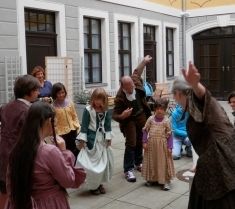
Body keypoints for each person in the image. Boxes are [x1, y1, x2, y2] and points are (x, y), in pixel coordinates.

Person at [171, 62, 235, 209]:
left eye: (175, 96)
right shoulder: (192, 108)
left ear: (178, 94)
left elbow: (202, 95)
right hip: (212, 165)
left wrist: (196, 84)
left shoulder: (202, 102)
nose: (175, 100)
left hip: (222, 166)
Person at [5, 102, 86, 209]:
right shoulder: (50, 152)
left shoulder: (16, 151)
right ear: (49, 121)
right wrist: (63, 152)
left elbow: (10, 186)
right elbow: (68, 180)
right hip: (49, 203)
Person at [0, 75, 40, 209]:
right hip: (19, 157)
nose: (38, 93)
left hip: (3, 154)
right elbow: (31, 139)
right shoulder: (28, 111)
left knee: (4, 189)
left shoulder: (5, 106)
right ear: (28, 91)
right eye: (36, 90)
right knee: (20, 193)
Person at [112, 55, 152, 182]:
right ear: (123, 87)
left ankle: (138, 162)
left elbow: (137, 71)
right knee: (131, 142)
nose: (131, 90)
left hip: (142, 115)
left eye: (132, 88)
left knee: (141, 140)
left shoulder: (135, 80)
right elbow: (114, 115)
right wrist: (122, 116)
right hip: (129, 120)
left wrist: (144, 61)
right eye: (127, 90)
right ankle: (128, 169)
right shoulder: (119, 97)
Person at [76, 88, 114, 195]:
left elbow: (108, 125)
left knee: (102, 161)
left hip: (101, 140)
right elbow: (84, 125)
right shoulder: (88, 110)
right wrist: (82, 140)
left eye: (101, 100)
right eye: (97, 99)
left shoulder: (105, 111)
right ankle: (92, 185)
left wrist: (109, 138)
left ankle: (99, 183)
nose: (98, 102)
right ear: (93, 99)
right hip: (91, 139)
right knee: (91, 162)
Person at [142, 98, 175, 190]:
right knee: (152, 161)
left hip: (162, 146)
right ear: (155, 109)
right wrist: (144, 141)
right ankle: (152, 179)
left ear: (164, 110)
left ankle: (165, 181)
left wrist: (170, 146)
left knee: (163, 163)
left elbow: (169, 134)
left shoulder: (166, 121)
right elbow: (145, 130)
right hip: (151, 145)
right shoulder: (150, 119)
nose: (159, 111)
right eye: (157, 108)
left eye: (161, 109)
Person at [51, 82, 81, 158]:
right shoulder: (52, 107)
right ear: (55, 94)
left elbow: (74, 116)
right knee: (65, 154)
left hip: (73, 131)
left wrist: (77, 127)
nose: (61, 95)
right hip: (61, 134)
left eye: (63, 92)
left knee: (76, 152)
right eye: (59, 93)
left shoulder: (70, 102)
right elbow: (53, 122)